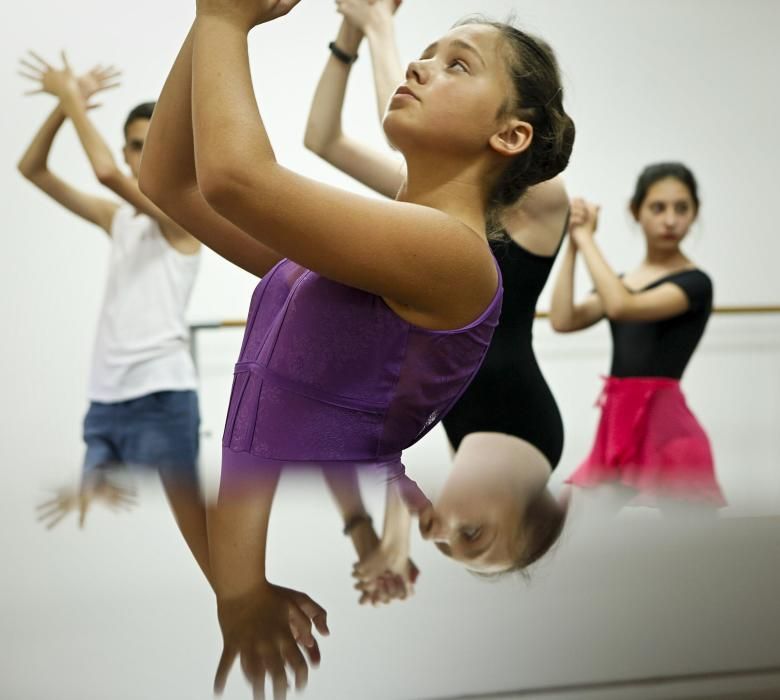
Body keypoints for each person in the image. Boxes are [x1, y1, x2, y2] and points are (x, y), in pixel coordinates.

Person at [138, 1, 573, 694]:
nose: (419, 64)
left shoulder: (454, 256)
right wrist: (212, 19)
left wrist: (224, 18)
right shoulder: (355, 257)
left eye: (457, 62)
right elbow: (171, 185)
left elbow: (233, 178)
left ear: (511, 135)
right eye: (427, 52)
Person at [305, 0, 572, 581]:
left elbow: (395, 438)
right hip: (516, 419)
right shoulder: (473, 198)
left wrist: (373, 23)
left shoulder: (537, 198)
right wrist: (358, 30)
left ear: (516, 129)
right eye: (468, 535)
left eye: (460, 66)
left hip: (480, 418)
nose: (445, 531)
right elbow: (322, 138)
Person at [17, 52, 203, 525]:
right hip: (104, 405)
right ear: (125, 152)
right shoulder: (118, 218)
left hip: (162, 401)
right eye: (135, 146)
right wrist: (65, 104)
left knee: (160, 541)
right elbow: (32, 169)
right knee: (94, 532)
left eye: (154, 144)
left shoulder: (186, 217)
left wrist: (69, 96)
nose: (143, 155)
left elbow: (105, 174)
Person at [550, 163, 725, 511]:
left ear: (695, 213)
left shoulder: (695, 283)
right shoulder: (623, 282)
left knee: (688, 552)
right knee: (582, 531)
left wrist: (587, 238)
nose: (671, 220)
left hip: (668, 434)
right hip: (618, 426)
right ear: (636, 211)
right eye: (658, 207)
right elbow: (563, 319)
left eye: (682, 208)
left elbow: (621, 306)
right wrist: (573, 244)